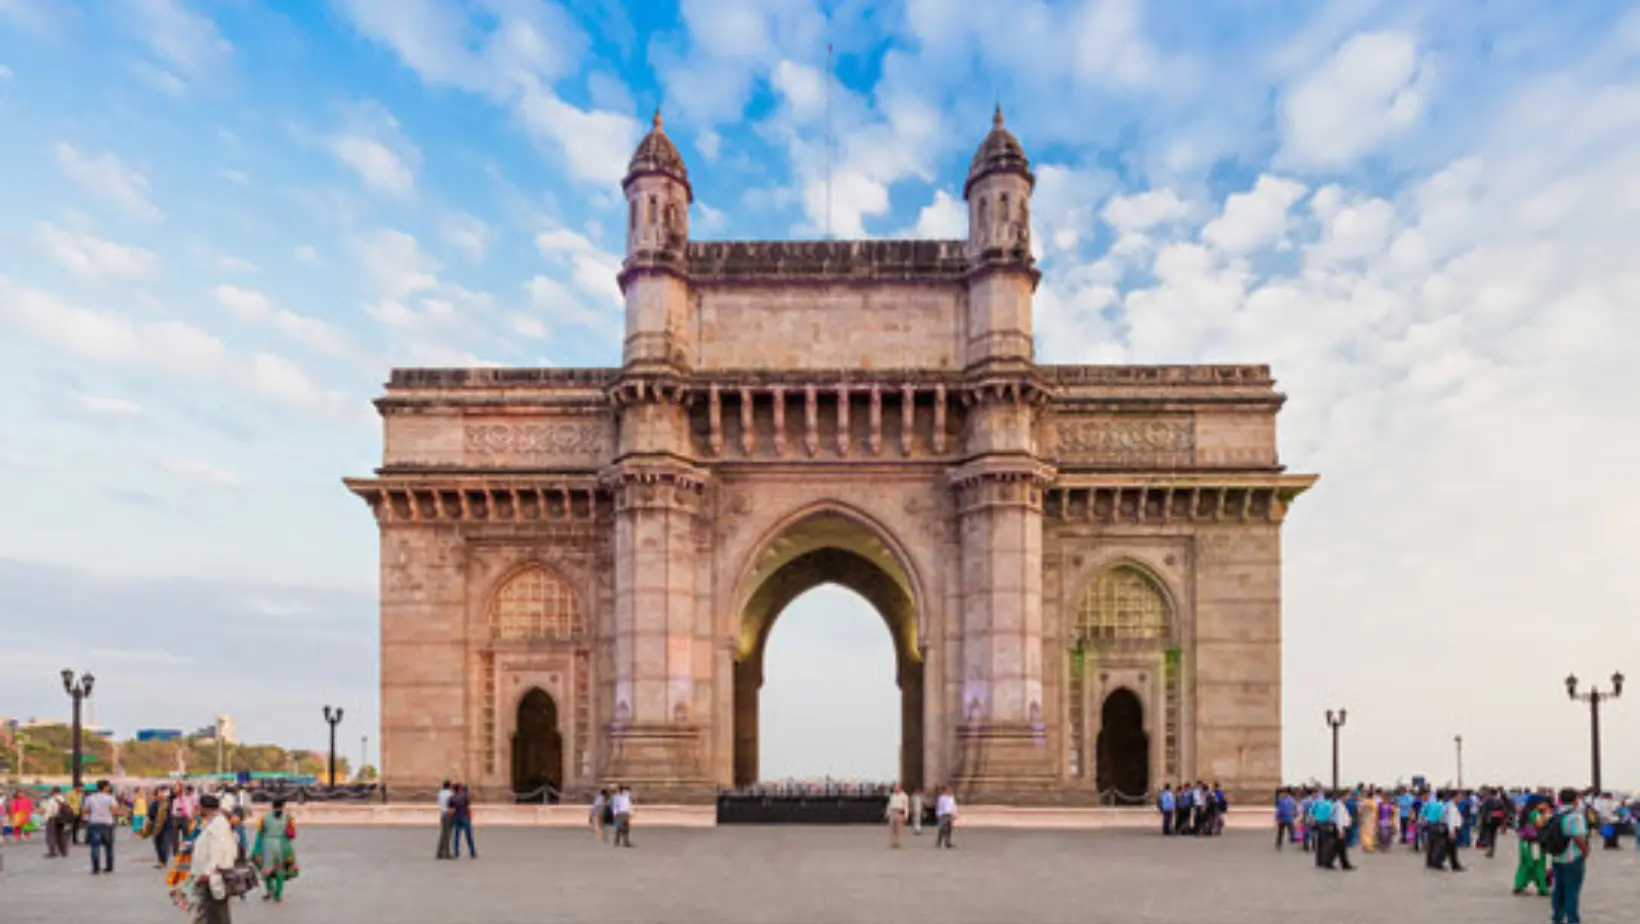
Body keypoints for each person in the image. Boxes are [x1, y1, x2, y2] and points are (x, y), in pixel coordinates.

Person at [187, 796, 239, 924]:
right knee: (211, 912)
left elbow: (217, 849)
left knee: (215, 913)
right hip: (209, 875)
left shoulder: (218, 824)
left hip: (213, 875)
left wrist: (208, 872)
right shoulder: (211, 822)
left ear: (204, 808)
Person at [1548, 787, 1589, 924]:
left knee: (1559, 889)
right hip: (1572, 858)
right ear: (1576, 800)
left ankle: (1557, 917)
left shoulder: (1556, 814)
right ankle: (1573, 919)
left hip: (1557, 857)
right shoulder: (1575, 816)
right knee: (1572, 890)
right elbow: (1578, 837)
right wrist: (1585, 851)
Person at [251, 799, 298, 904]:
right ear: (283, 806)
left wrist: (256, 849)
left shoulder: (264, 817)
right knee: (280, 871)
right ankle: (278, 894)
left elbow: (260, 833)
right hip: (282, 844)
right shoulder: (288, 817)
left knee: (266, 869)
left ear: (272, 805)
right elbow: (292, 834)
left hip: (267, 844)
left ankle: (269, 890)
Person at [83, 780, 121, 875]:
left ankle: (96, 868)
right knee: (109, 846)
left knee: (95, 846)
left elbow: (86, 811)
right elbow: (115, 811)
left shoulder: (90, 798)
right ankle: (109, 867)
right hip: (107, 824)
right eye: (108, 786)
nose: (109, 788)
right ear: (105, 787)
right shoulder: (110, 798)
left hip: (94, 824)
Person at [449, 784, 476, 859]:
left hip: (456, 817)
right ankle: (472, 851)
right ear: (460, 789)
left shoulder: (452, 798)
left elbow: (450, 808)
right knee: (468, 835)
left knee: (456, 836)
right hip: (464, 817)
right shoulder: (464, 797)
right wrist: (470, 817)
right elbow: (468, 807)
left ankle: (456, 852)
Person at [885, 783, 909, 848]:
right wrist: (887, 814)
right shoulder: (892, 796)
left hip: (900, 812)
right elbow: (889, 805)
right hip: (893, 812)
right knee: (892, 829)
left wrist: (906, 816)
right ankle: (892, 843)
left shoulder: (904, 796)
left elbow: (906, 806)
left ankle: (898, 843)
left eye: (897, 787)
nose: (895, 789)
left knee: (899, 829)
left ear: (900, 788)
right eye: (894, 787)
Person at [435, 780, 454, 859]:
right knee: (447, 835)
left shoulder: (440, 793)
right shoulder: (450, 794)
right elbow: (453, 803)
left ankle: (439, 852)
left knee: (443, 834)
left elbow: (438, 802)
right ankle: (446, 853)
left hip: (442, 814)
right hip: (449, 814)